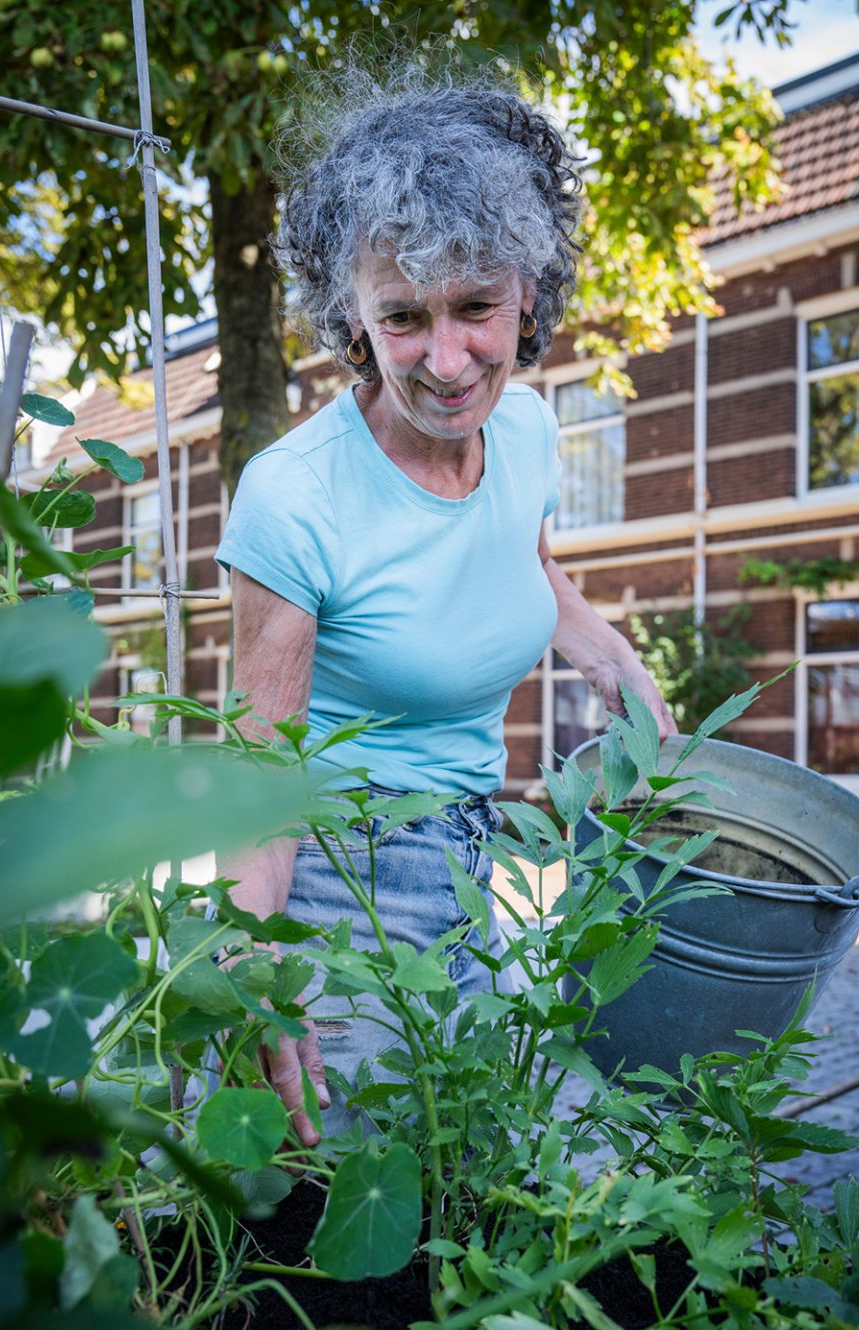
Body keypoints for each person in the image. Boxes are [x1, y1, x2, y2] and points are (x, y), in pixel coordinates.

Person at [214, 68, 677, 1146]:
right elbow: (257, 770)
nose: (447, 357)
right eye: (402, 317)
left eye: (476, 308)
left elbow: (529, 567)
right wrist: (254, 959)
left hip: (483, 860)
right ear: (353, 318)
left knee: (473, 1168)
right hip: (343, 883)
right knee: (353, 1191)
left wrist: (612, 658)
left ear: (529, 297)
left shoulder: (526, 434)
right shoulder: (296, 496)